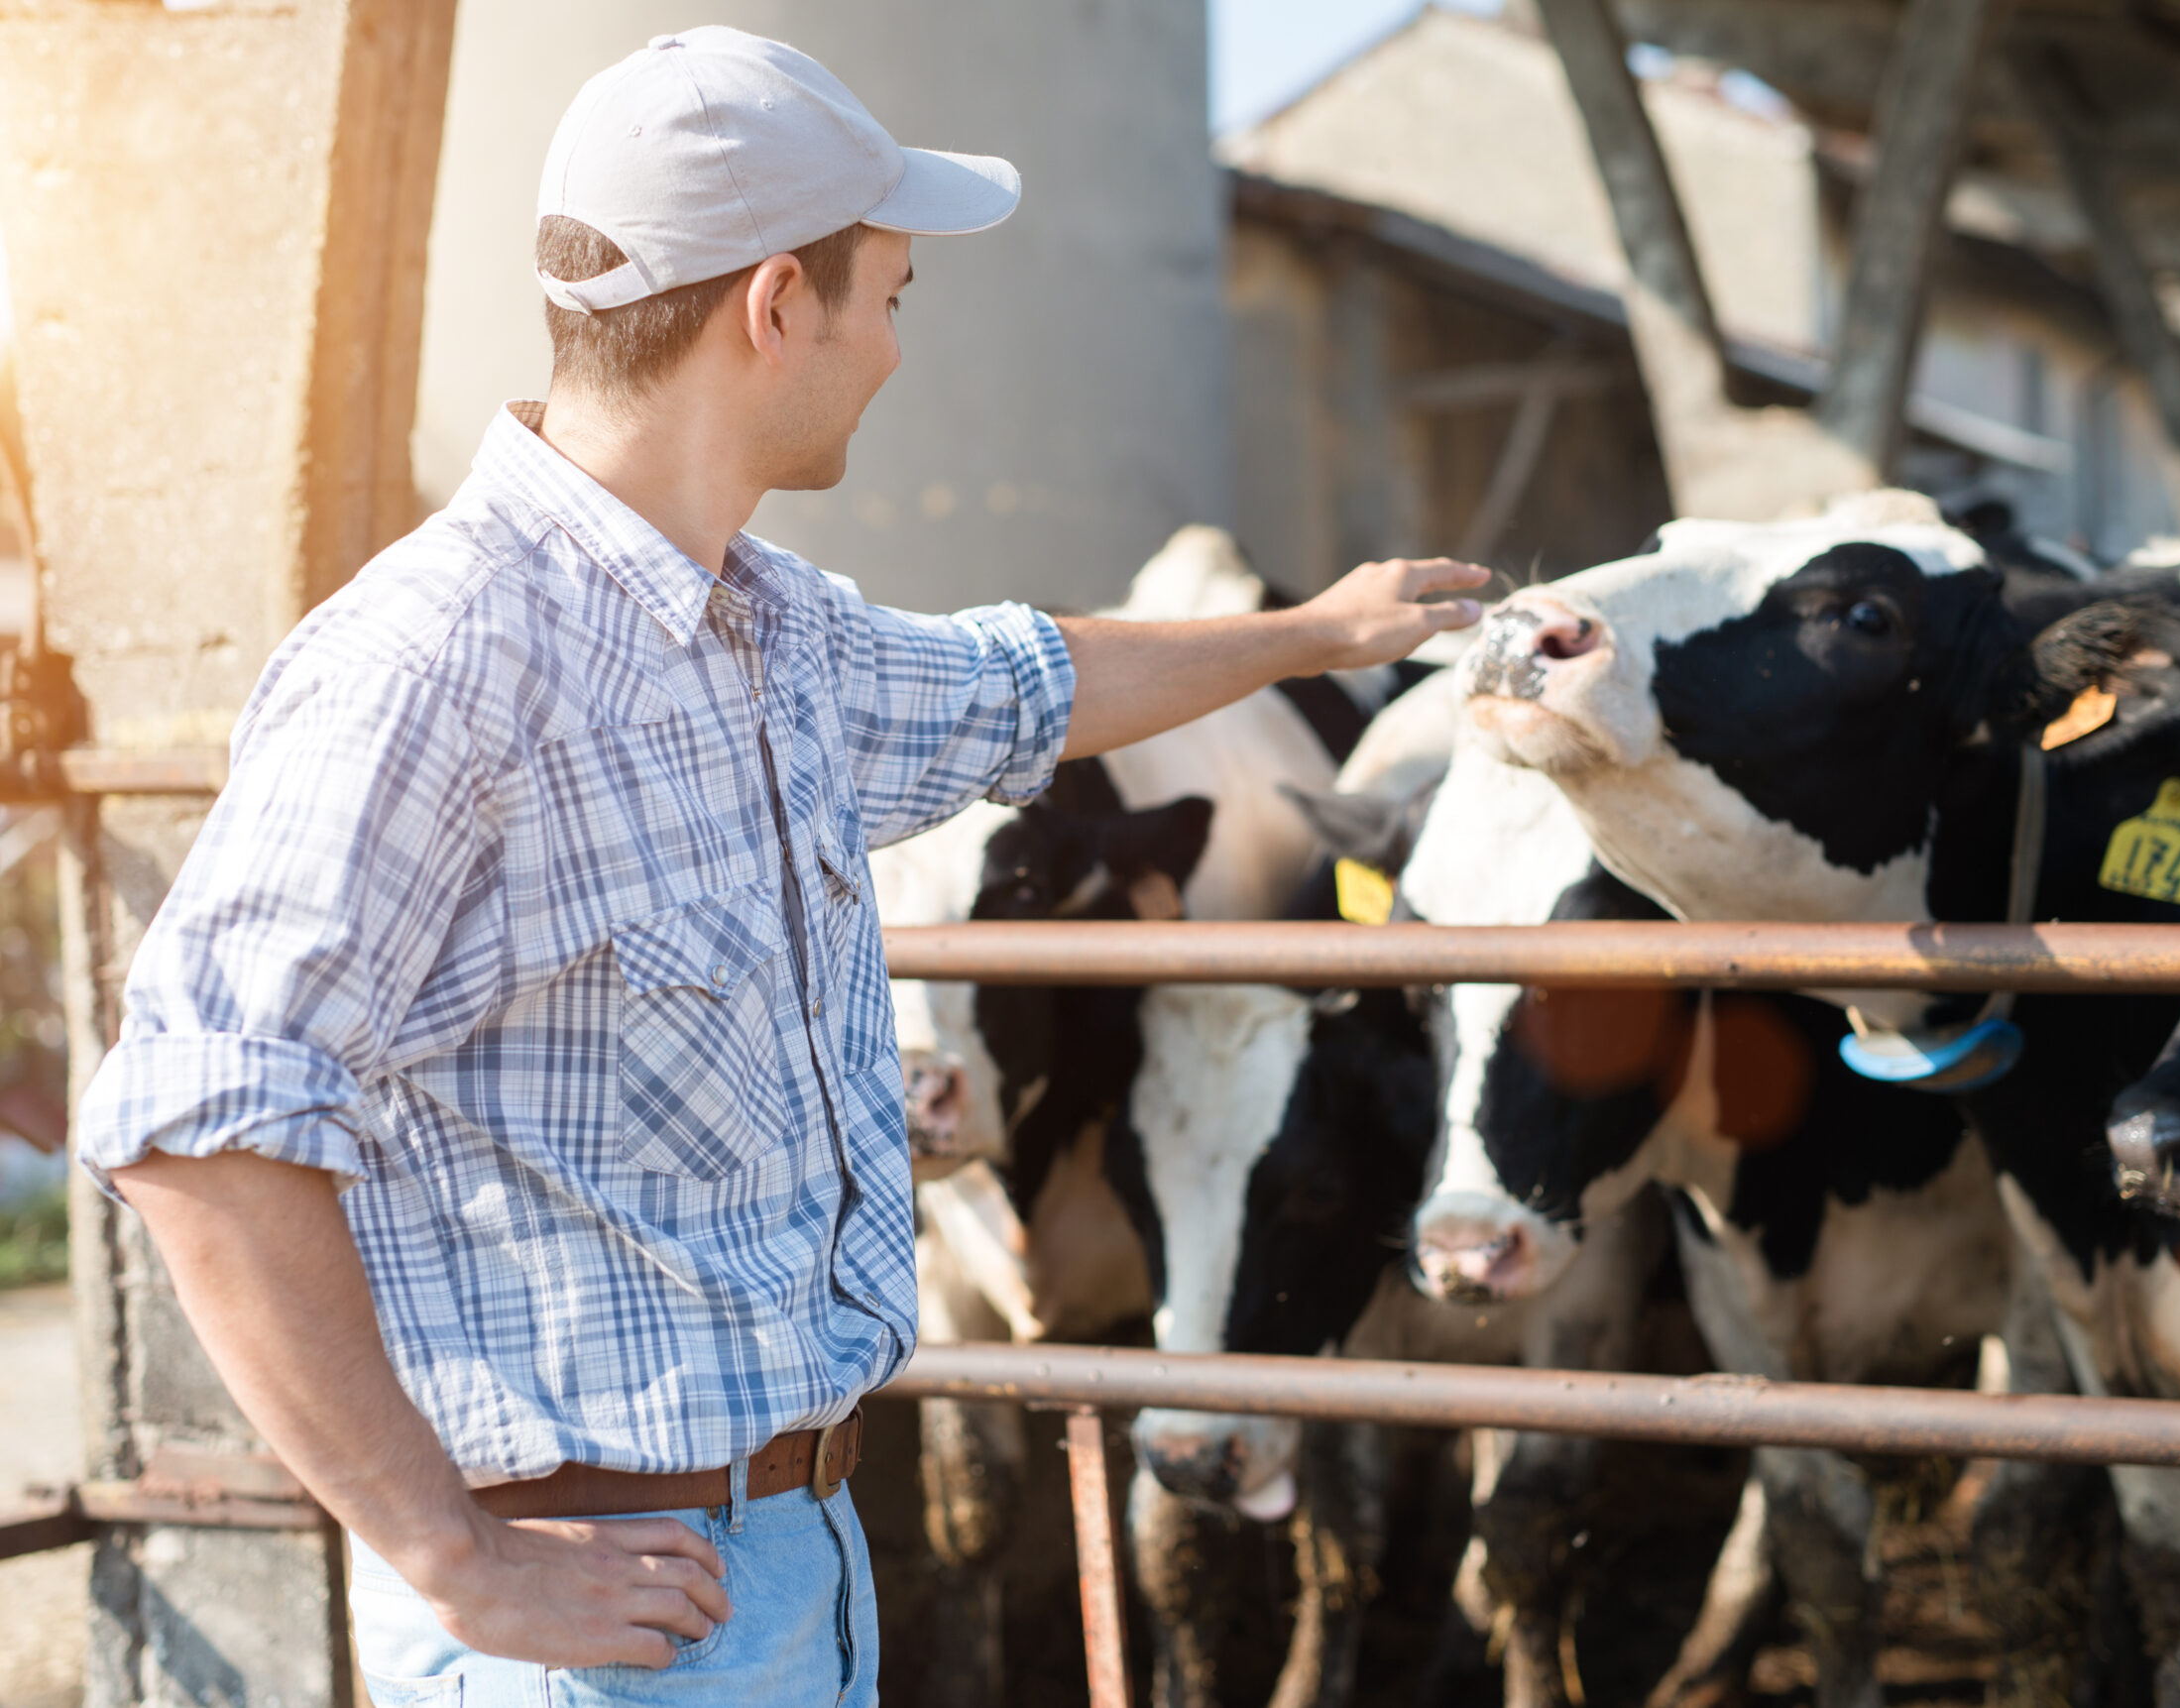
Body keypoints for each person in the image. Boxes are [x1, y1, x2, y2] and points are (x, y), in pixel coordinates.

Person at [75, 27, 1484, 1706]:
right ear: (772, 306)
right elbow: (200, 1123)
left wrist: (1317, 633)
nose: (895, 350)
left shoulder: (772, 628)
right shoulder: (439, 661)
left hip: (789, 1559)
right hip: (592, 1617)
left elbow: (1032, 682)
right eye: (888, 294)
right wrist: (448, 1551)